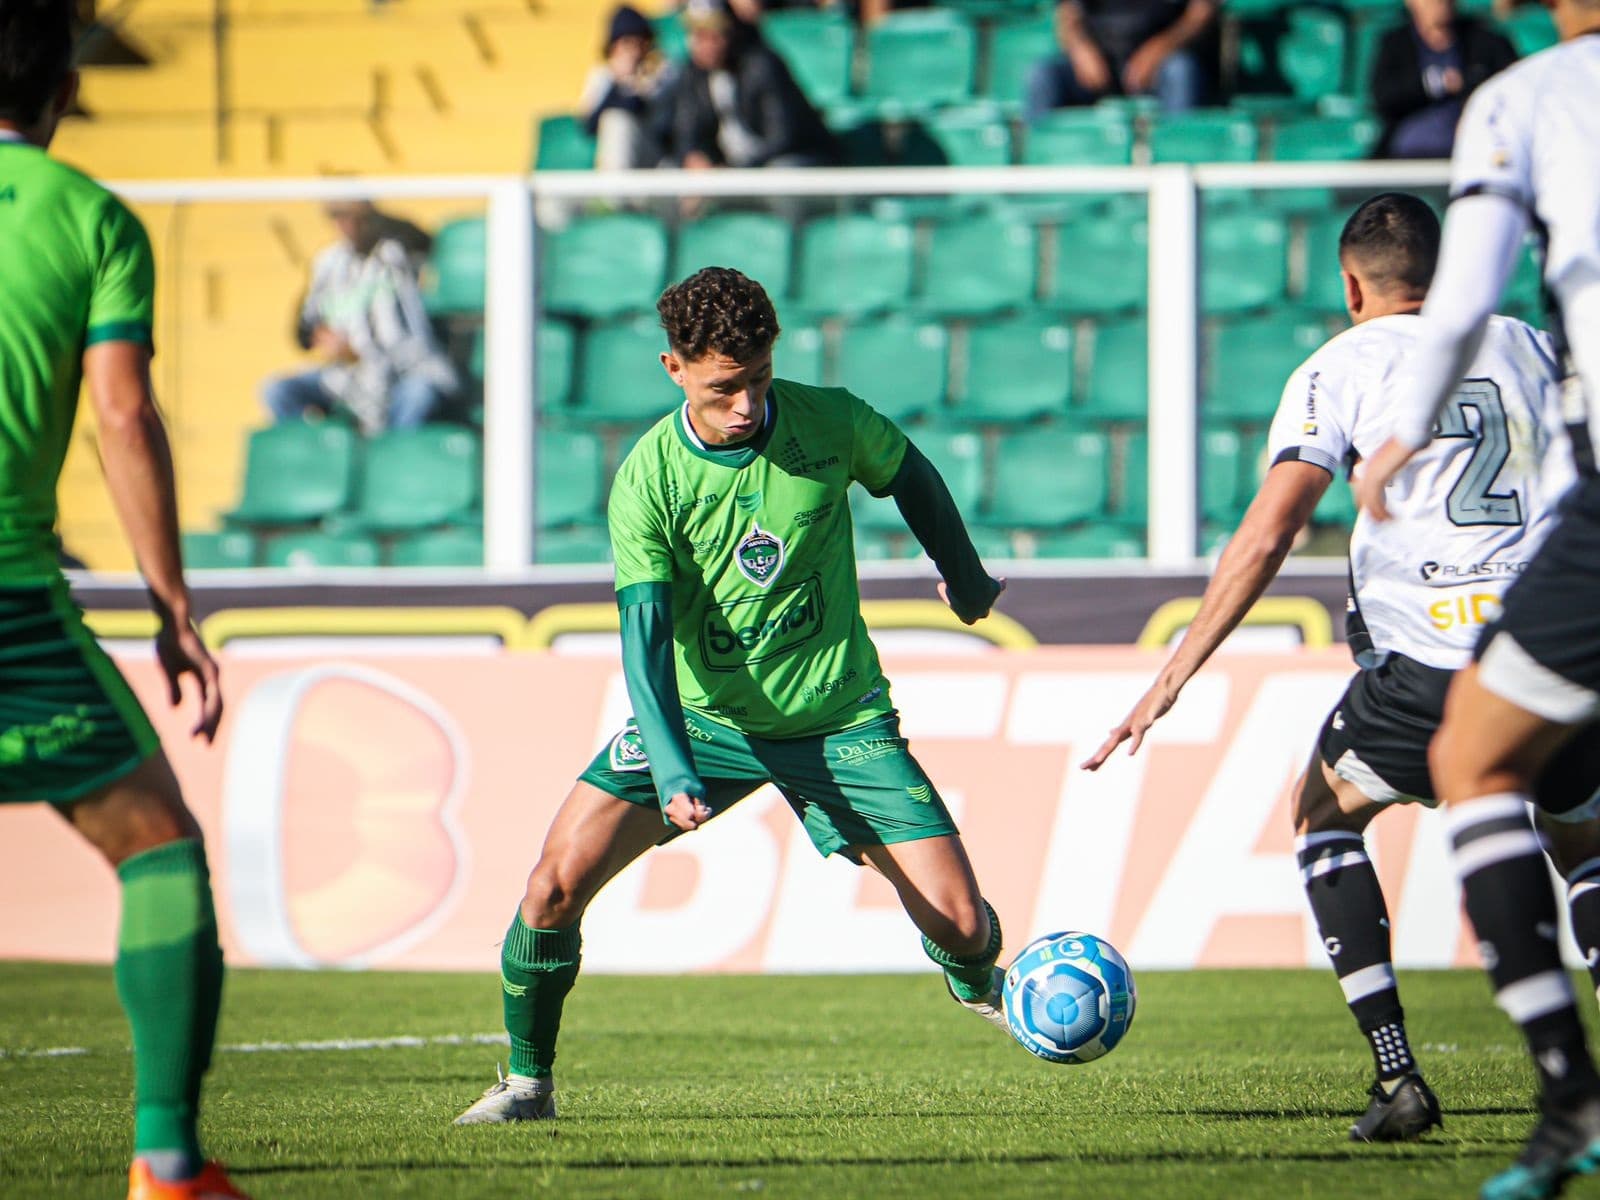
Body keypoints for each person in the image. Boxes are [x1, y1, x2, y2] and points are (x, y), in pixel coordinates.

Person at [1084, 193, 1600, 1147]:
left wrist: (1175, 673)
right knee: (1581, 842)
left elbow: (1274, 524)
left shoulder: (1340, 365)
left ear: (1351, 285)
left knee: (1323, 817)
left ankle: (1400, 1075)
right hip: (1556, 646)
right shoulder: (1530, 342)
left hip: (1438, 663)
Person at [453, 267, 1008, 1125]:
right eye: (724, 388)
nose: (747, 405)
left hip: (839, 720)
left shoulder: (832, 420)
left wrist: (964, 577)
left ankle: (981, 982)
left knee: (965, 924)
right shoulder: (649, 479)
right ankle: (528, 1086)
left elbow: (915, 478)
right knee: (553, 886)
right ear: (674, 368)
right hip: (705, 723)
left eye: (758, 379)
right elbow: (642, 639)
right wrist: (672, 768)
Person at [1353, 2, 1600, 1194]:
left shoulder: (1520, 99)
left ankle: (1569, 1097)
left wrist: (1402, 436)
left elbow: (1462, 297)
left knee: (1477, 760)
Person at [0, 3, 239, 1198]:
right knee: (158, 850)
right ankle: (167, 1165)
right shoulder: (90, 219)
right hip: (8, 604)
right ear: (57, 88)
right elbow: (121, 414)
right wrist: (172, 606)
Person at [259, 199, 458, 436]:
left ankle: (391, 461)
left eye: (354, 216)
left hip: (408, 367)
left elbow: (422, 240)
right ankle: (320, 461)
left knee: (418, 394)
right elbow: (303, 329)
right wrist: (326, 339)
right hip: (353, 374)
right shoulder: (329, 262)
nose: (347, 223)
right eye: (337, 216)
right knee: (278, 390)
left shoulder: (395, 250)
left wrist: (368, 211)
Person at [650, 0, 837, 170]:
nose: (705, 44)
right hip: (732, 168)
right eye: (698, 35)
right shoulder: (693, 73)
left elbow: (782, 138)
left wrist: (733, 168)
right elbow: (688, 132)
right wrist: (695, 157)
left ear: (731, 32)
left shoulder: (761, 66)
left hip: (782, 160)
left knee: (783, 172)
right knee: (670, 171)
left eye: (714, 35)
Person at [1023, 0, 1217, 124]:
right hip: (1100, 66)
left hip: (1163, 63)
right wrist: (1080, 49)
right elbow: (1067, 14)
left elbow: (1202, 12)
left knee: (1181, 71)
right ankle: (1039, 171)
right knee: (1042, 75)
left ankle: (1177, 163)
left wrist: (1161, 48)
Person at [1371, 0, 1516, 159]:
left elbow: (1510, 91)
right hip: (1406, 158)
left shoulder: (1487, 41)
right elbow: (1383, 97)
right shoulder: (1394, 44)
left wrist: (1466, 84)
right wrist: (1431, 84)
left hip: (1474, 154)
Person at [579, 6, 674, 172]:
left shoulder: (662, 71)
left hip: (655, 157)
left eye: (639, 43)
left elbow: (641, 108)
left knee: (619, 121)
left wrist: (630, 81)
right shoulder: (602, 76)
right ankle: (615, 194)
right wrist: (616, 82)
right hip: (614, 158)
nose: (634, 51)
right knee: (615, 121)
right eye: (626, 43)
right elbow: (589, 125)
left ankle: (616, 193)